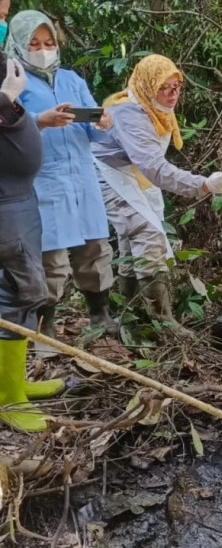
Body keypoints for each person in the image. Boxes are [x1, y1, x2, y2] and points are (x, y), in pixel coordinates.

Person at [92, 54, 222, 333]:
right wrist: (205, 184)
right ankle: (161, 319)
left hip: (132, 174)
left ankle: (133, 314)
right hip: (109, 175)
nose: (173, 95)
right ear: (148, 86)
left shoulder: (153, 107)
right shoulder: (129, 114)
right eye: (165, 88)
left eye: (177, 87)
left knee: (132, 237)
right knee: (146, 232)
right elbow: (155, 168)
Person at [6, 11, 119, 347]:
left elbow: (94, 133)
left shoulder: (72, 79)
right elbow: (8, 129)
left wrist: (101, 124)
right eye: (35, 43)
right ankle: (46, 330)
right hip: (44, 180)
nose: (44, 49)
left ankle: (100, 316)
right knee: (51, 260)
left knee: (95, 250)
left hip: (82, 178)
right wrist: (39, 120)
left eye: (49, 42)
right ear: (19, 45)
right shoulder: (13, 82)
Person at [0, 52, 64, 432]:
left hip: (18, 199)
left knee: (20, 295)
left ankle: (13, 381)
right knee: (12, 297)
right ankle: (9, 400)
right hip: (5, 206)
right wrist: (6, 96)